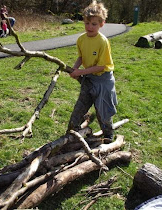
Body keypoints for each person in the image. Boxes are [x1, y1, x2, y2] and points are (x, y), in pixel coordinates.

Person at [67, 0, 117, 140]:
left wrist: (80, 72)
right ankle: (71, 134)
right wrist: (75, 68)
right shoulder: (81, 40)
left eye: (94, 24)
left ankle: (108, 137)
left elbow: (101, 66)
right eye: (87, 23)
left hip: (103, 81)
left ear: (102, 24)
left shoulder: (102, 41)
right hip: (89, 79)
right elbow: (81, 57)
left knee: (103, 112)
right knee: (79, 108)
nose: (89, 27)